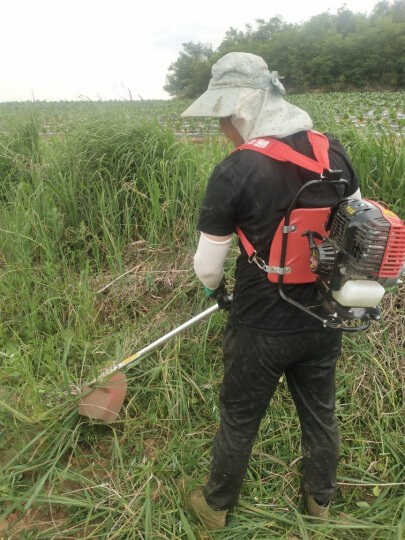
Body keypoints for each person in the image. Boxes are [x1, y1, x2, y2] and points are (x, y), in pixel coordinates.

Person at [181, 52, 360, 530]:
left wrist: (215, 294)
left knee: (240, 417)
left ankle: (214, 507)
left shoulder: (237, 169)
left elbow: (207, 267)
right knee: (320, 413)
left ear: (241, 108)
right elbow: (360, 225)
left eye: (223, 116)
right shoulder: (333, 152)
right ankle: (320, 504)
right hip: (326, 316)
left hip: (260, 321)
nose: (222, 127)